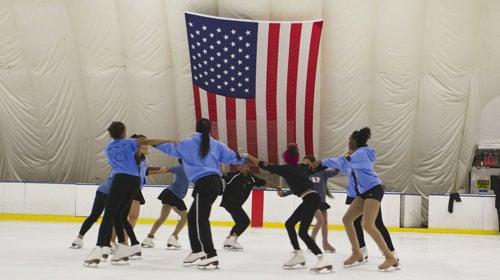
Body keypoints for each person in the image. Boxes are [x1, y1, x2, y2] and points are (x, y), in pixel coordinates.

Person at [154, 118, 246, 269]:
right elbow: (234, 158)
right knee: (193, 217)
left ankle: (210, 254)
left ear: (196, 129)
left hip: (205, 183)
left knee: (200, 219)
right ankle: (197, 250)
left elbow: (166, 148)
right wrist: (245, 158)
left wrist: (151, 142)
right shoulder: (217, 145)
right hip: (214, 182)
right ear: (210, 130)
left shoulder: (187, 144)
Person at [84, 122, 175, 266]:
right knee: (119, 215)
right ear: (124, 132)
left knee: (109, 215)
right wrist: (167, 140)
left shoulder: (108, 148)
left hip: (120, 180)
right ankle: (123, 250)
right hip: (134, 182)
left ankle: (98, 248)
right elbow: (146, 141)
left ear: (111, 134)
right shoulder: (130, 143)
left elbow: (116, 164)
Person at [311, 127, 399, 271]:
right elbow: (346, 166)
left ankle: (390, 257)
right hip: (364, 192)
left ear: (354, 141)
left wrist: (322, 161)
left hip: (373, 190)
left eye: (349, 140)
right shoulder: (358, 154)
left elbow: (343, 162)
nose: (348, 143)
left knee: (368, 225)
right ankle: (357, 252)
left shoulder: (361, 154)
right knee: (347, 219)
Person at [71, 134, 167, 256]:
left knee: (119, 217)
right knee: (102, 216)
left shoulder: (141, 159)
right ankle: (92, 240)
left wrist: (160, 170)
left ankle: (122, 244)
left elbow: (143, 172)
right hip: (110, 190)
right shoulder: (129, 159)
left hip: (126, 190)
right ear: (139, 146)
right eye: (145, 144)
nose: (148, 146)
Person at [247, 145, 333, 273]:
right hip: (311, 198)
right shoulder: (303, 167)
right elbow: (322, 166)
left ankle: (321, 258)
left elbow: (263, 165)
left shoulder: (285, 169)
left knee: (302, 232)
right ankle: (298, 254)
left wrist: (248, 156)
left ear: (286, 157)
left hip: (310, 199)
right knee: (290, 224)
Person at [142, 159, 190, 249]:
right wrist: (147, 170)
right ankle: (173, 237)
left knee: (162, 217)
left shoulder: (188, 169)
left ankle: (149, 238)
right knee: (185, 217)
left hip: (169, 193)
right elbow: (165, 169)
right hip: (173, 195)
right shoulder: (182, 168)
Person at [221, 163, 266, 250]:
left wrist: (278, 188)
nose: (240, 167)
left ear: (247, 166)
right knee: (245, 221)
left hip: (236, 204)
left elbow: (264, 182)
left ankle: (229, 240)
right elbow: (222, 174)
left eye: (242, 165)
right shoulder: (233, 175)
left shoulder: (252, 178)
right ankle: (232, 239)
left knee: (239, 222)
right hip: (229, 202)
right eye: (238, 165)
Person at [302, 155, 337, 253]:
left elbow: (334, 171)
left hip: (321, 202)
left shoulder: (322, 173)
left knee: (325, 222)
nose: (304, 165)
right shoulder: (303, 175)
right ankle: (311, 242)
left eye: (307, 163)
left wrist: (340, 163)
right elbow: (295, 188)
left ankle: (325, 243)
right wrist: (284, 193)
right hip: (311, 201)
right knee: (320, 220)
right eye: (303, 163)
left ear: (313, 163)